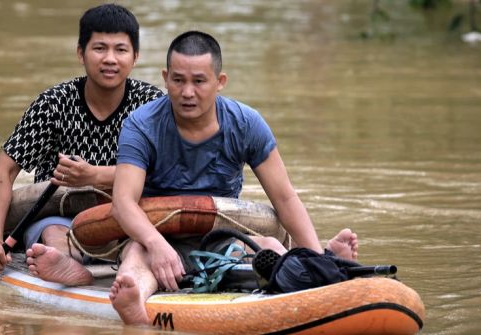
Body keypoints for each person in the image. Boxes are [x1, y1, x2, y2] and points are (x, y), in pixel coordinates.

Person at [107, 31, 359, 325]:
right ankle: (134, 304)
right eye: (178, 80)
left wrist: (315, 257)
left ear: (219, 82)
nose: (187, 92)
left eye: (199, 81)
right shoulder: (141, 125)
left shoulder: (246, 123)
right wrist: (157, 244)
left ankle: (324, 264)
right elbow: (123, 202)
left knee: (270, 248)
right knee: (135, 256)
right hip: (157, 236)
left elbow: (284, 197)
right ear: (165, 78)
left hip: (221, 238)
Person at [0, 4, 163, 286]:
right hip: (58, 215)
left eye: (120, 50)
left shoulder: (152, 104)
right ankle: (65, 265)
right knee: (53, 235)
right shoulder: (53, 104)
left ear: (135, 57)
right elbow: (3, 172)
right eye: (99, 48)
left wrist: (94, 176)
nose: (110, 59)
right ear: (80, 53)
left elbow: (167, 169)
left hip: (128, 214)